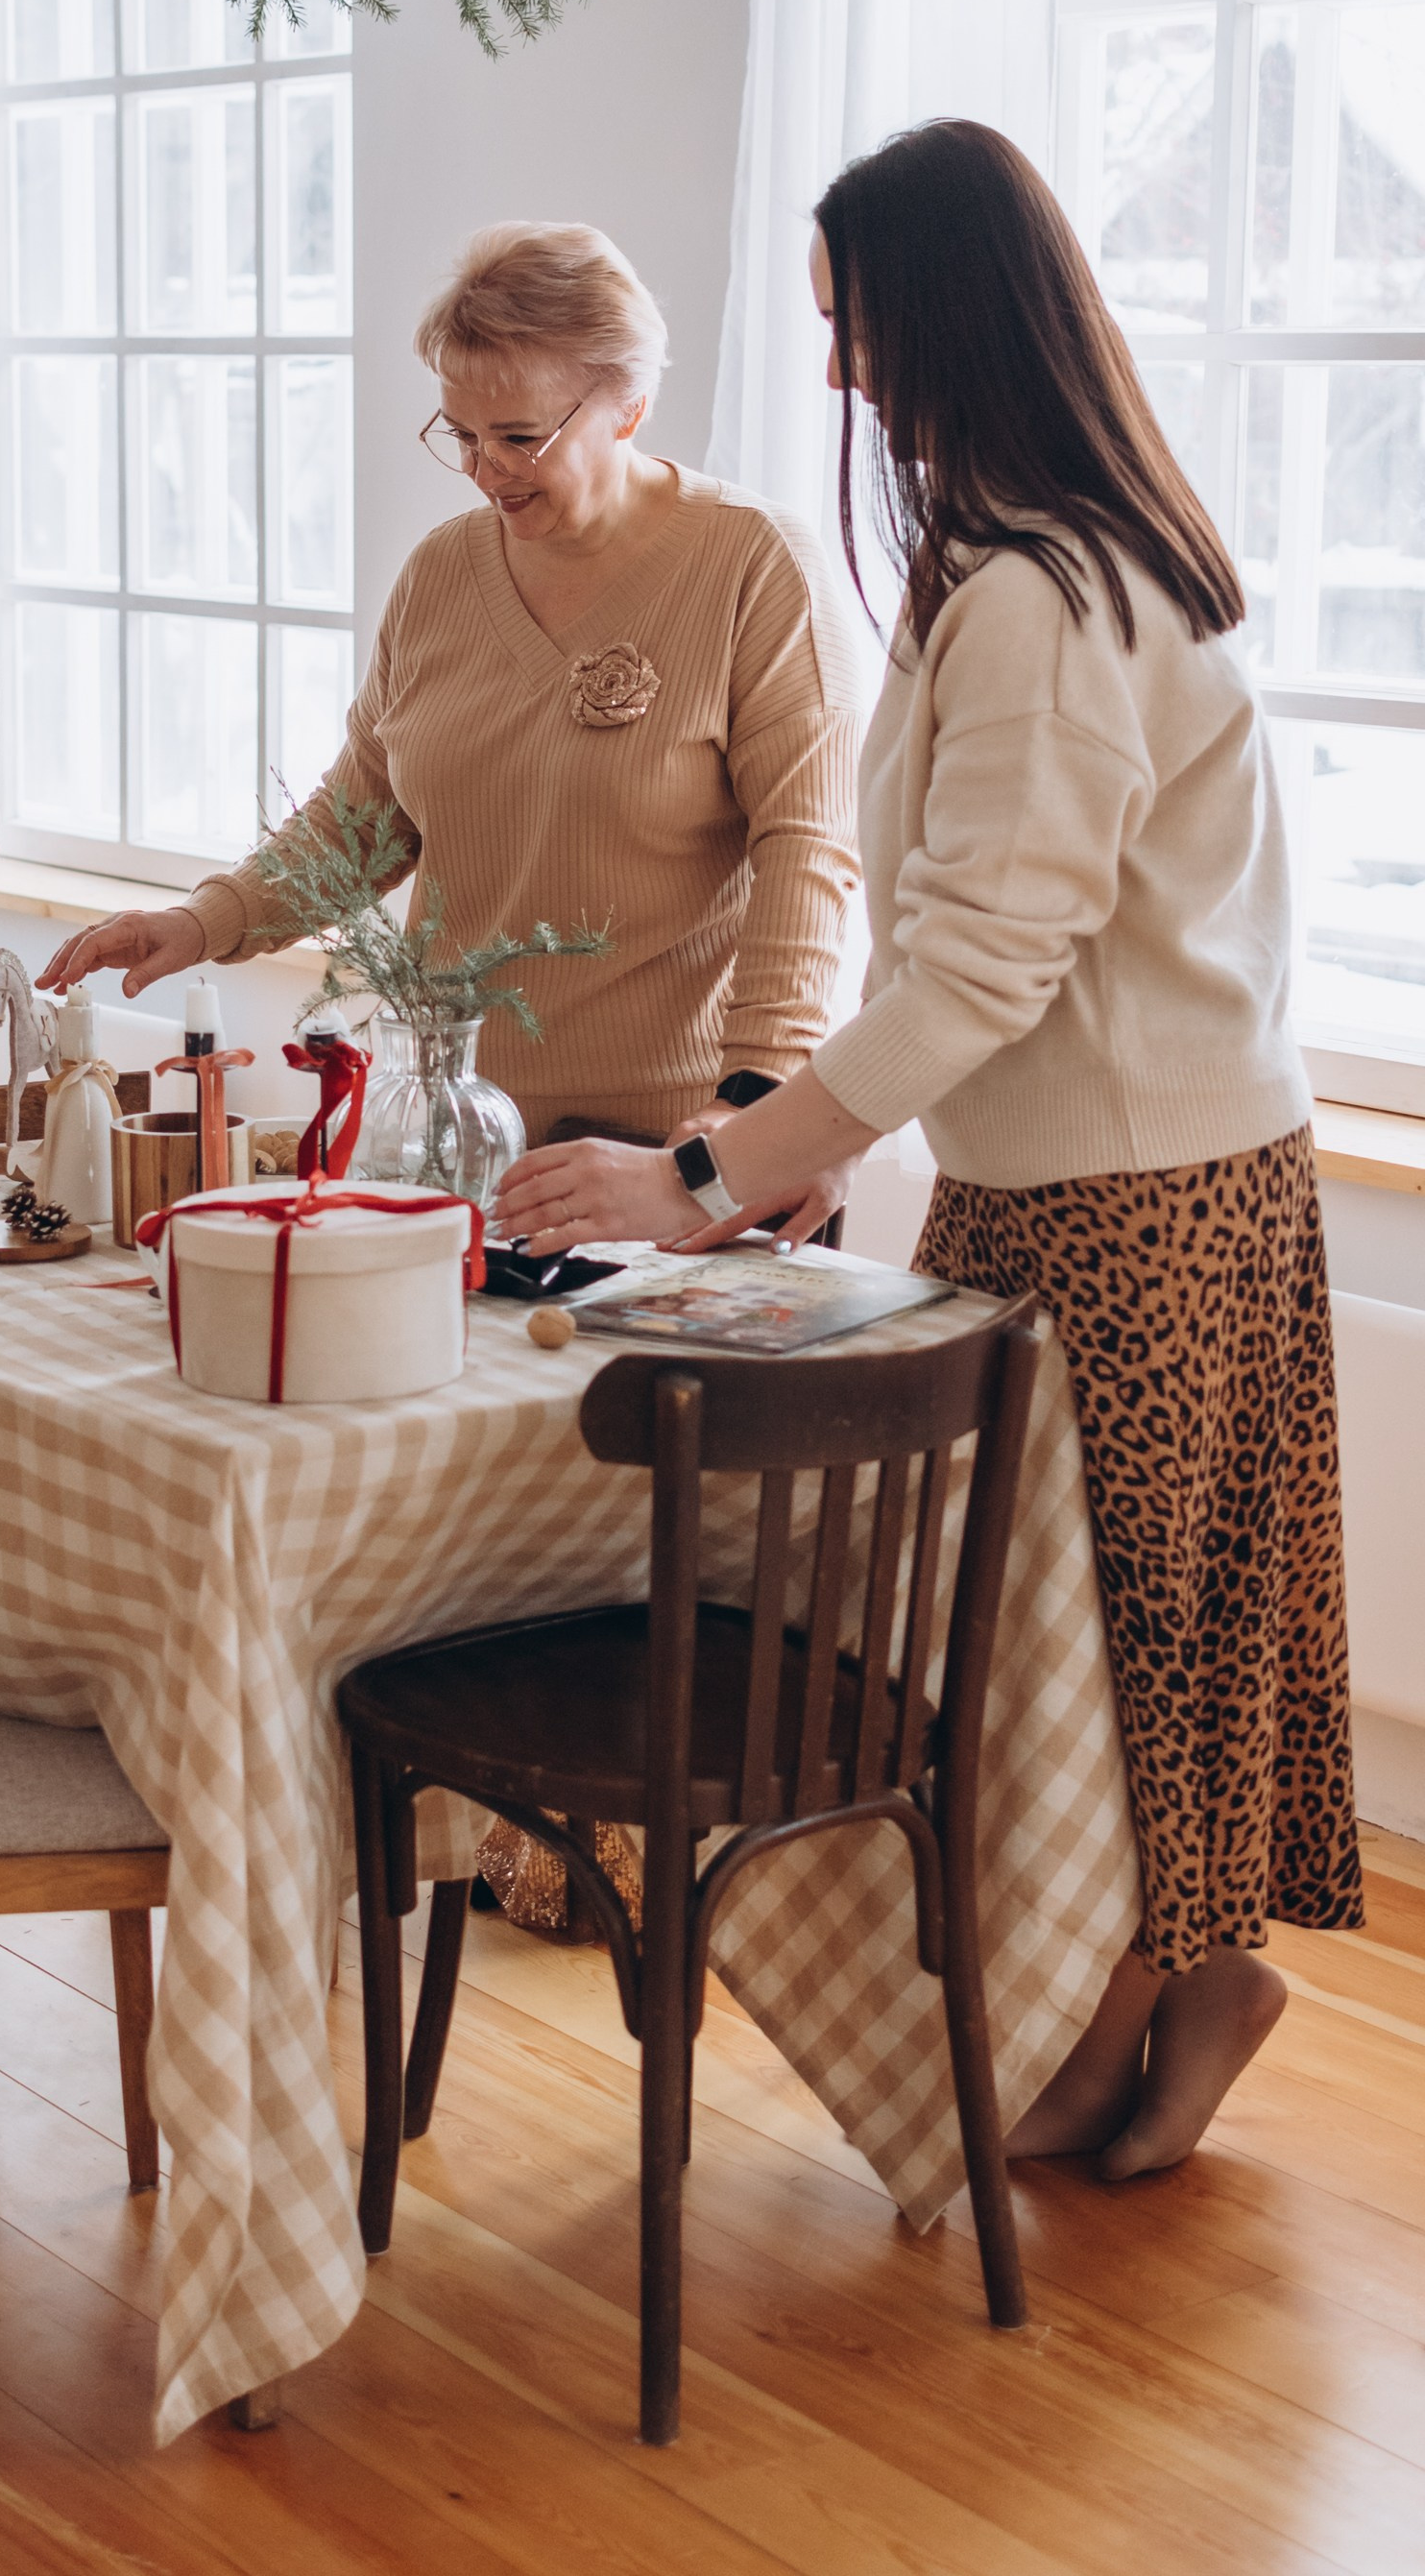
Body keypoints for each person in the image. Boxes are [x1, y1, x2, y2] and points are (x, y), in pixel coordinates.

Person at [497, 119, 1363, 2179]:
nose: (834, 382)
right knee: (1102, 1625)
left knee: (1102, 1632)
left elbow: (977, 969)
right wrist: (826, 1155)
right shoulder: (1044, 559)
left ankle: (1164, 1988)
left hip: (1135, 1203)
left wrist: (695, 1173)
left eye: (852, 330)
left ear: (945, 318)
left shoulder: (1044, 596)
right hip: (1127, 1174)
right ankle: (1146, 1986)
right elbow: (989, 964)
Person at [38, 223, 864, 1151]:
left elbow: (810, 854)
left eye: (518, 437)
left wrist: (749, 1107)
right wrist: (200, 924)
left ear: (628, 406)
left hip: (668, 1138)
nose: (483, 471)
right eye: (461, 434)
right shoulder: (440, 573)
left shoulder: (755, 566)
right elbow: (360, 819)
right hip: (453, 1122)